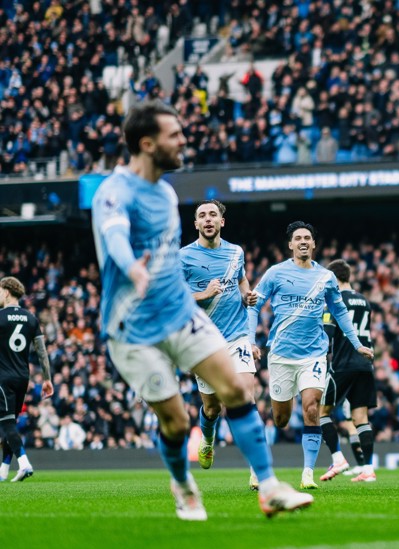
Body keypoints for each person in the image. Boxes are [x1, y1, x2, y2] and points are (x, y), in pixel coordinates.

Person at [90, 100, 312, 520]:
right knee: (176, 422)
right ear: (147, 143)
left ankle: (268, 487)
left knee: (238, 391)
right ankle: (182, 485)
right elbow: (115, 235)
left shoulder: (166, 193)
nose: (183, 141)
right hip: (134, 328)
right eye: (174, 135)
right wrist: (132, 268)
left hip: (182, 316)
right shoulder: (114, 193)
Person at [247, 222, 373, 490]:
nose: (303, 241)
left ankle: (307, 474)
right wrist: (250, 341)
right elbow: (253, 305)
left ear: (314, 244)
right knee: (280, 419)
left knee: (312, 407)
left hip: (314, 354)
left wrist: (356, 344)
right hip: (281, 355)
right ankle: (257, 466)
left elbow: (339, 312)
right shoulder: (276, 273)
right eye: (298, 238)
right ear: (290, 245)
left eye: (307, 238)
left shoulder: (326, 277)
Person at [179, 199, 261, 489]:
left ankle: (257, 469)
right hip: (204, 341)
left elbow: (241, 281)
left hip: (237, 336)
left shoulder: (236, 252)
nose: (208, 219)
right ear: (196, 224)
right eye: (202, 215)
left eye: (213, 214)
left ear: (221, 221)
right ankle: (208, 436)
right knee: (212, 408)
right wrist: (203, 294)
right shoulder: (184, 257)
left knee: (246, 397)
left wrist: (247, 295)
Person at [316, 259, 378, 483]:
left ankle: (338, 458)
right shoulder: (364, 301)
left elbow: (328, 333)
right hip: (365, 364)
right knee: (361, 418)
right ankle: (368, 469)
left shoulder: (334, 300)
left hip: (343, 364)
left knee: (321, 412)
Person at [0, 277, 53, 482]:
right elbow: (42, 352)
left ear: (6, 292)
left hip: (3, 378)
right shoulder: (31, 318)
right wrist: (47, 379)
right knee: (9, 423)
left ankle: (24, 463)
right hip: (23, 377)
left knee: (6, 424)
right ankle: (4, 469)